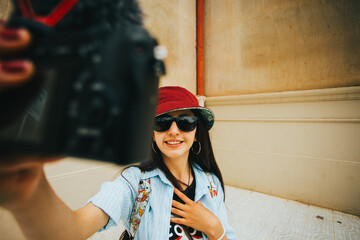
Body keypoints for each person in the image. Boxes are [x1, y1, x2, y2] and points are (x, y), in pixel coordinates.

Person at [0, 16, 236, 240]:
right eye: (162, 122)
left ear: (197, 133)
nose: (174, 130)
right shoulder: (135, 183)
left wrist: (215, 229)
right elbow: (74, 228)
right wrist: (31, 190)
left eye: (185, 122)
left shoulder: (211, 183)